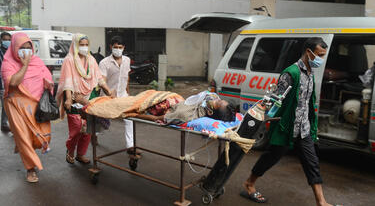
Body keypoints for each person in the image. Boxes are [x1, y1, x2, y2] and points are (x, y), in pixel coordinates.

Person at [241, 37, 337, 206]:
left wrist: (312, 125)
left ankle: (321, 202)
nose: (321, 59)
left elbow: (307, 102)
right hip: (286, 128)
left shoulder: (310, 74)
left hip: (304, 129)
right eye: (320, 55)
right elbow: (275, 99)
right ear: (309, 52)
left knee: (312, 162)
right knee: (271, 157)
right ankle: (249, 183)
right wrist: (259, 117)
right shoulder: (290, 73)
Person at [1, 32, 54, 183]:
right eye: (22, 48)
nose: (26, 51)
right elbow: (13, 83)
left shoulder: (37, 61)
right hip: (16, 105)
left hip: (37, 105)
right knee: (24, 137)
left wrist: (48, 84)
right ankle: (30, 169)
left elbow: (47, 77)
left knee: (42, 137)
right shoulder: (8, 63)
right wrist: (24, 65)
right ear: (15, 48)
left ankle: (22, 145)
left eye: (28, 47)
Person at [56, 33, 114, 165]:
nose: (84, 47)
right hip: (74, 96)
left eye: (86, 45)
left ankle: (80, 154)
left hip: (91, 96)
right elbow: (68, 81)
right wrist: (69, 99)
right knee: (76, 128)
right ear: (75, 45)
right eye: (81, 45)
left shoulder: (91, 59)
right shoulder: (69, 60)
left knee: (88, 129)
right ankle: (70, 150)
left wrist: (108, 90)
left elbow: (98, 78)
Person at [98, 36, 139, 157]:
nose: (118, 49)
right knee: (101, 121)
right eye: (115, 47)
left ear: (124, 48)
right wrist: (108, 92)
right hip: (107, 96)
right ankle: (94, 135)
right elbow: (102, 80)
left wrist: (128, 92)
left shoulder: (127, 60)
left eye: (120, 47)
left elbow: (126, 77)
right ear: (111, 47)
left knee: (129, 119)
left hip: (123, 96)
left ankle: (130, 146)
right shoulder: (104, 63)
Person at [137, 91, 236, 123]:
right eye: (219, 98)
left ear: (210, 112)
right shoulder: (205, 102)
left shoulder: (185, 115)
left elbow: (155, 118)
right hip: (170, 97)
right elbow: (209, 95)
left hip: (158, 106)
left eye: (218, 102)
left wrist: (133, 115)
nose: (216, 98)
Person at [0, 32, 11, 132]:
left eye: (9, 40)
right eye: (5, 40)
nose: (7, 42)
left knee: (6, 105)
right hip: (2, 83)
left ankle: (4, 124)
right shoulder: (1, 52)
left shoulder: (11, 52)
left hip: (7, 83)